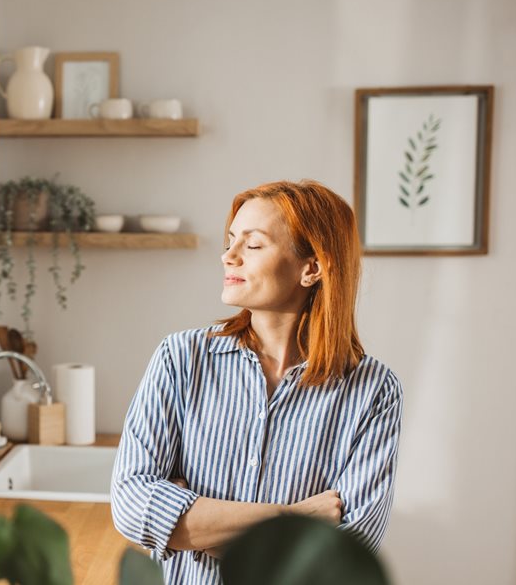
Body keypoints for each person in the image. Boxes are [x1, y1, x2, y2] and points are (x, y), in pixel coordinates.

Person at [111, 180, 403, 584]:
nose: (228, 256)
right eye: (231, 241)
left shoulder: (374, 391)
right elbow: (133, 507)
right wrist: (297, 517)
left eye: (252, 245)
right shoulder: (180, 358)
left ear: (312, 268)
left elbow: (345, 553)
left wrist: (194, 525)